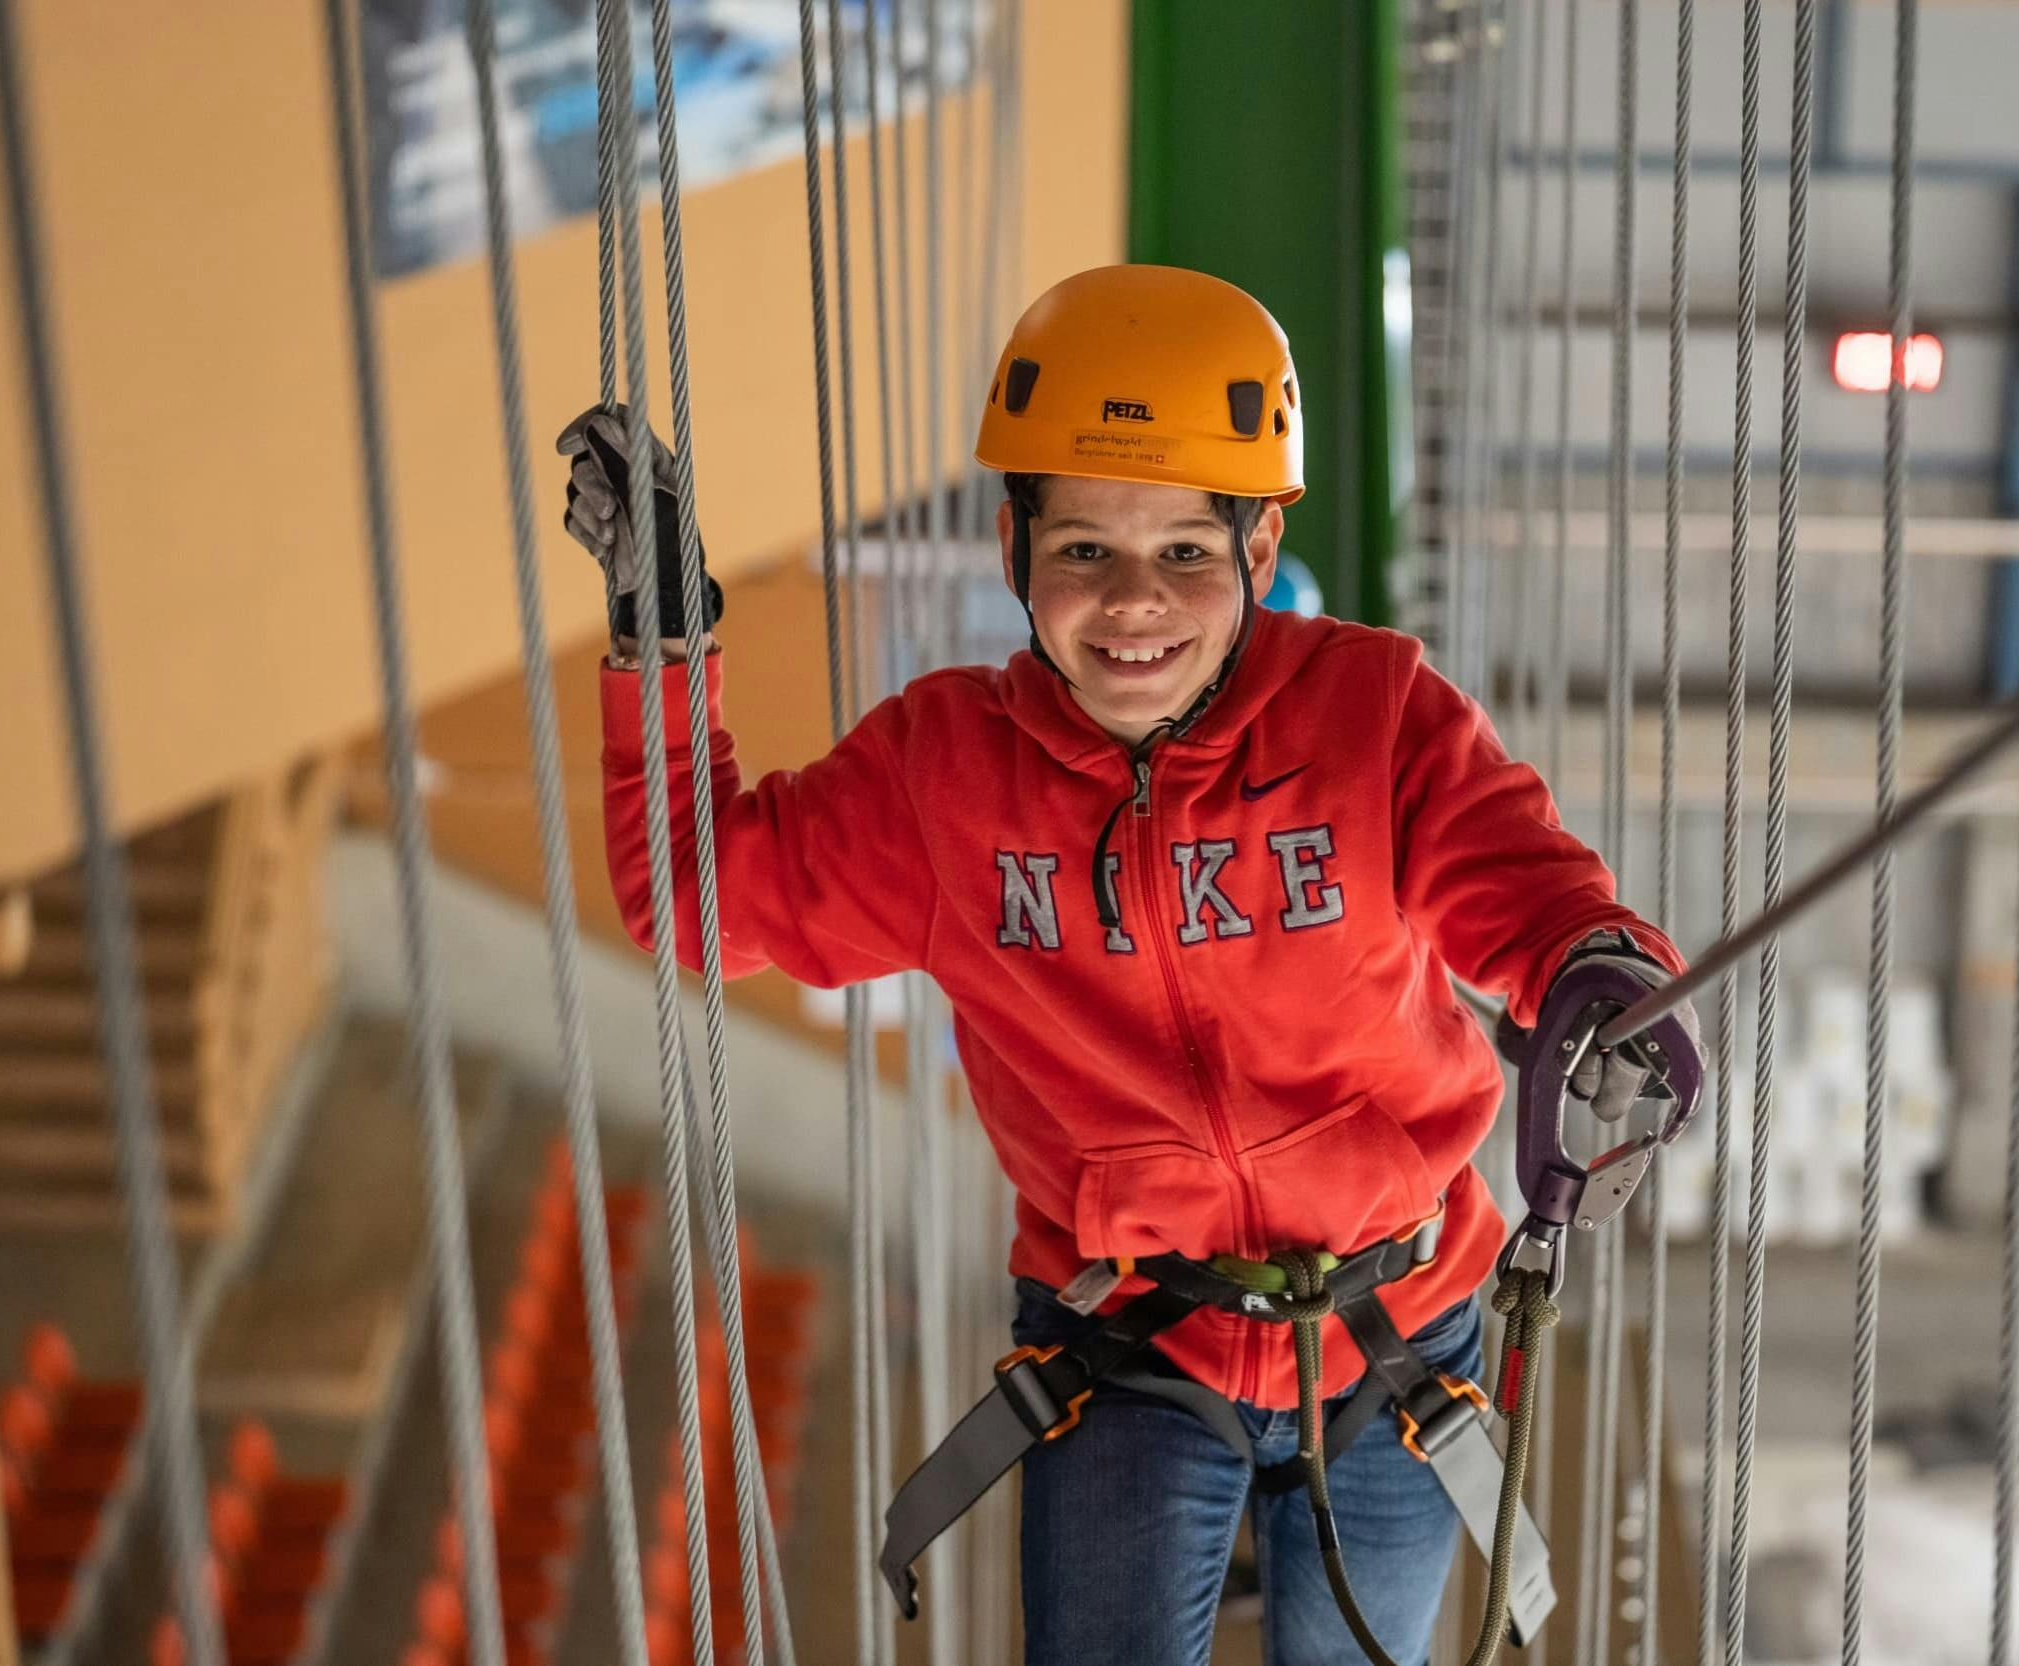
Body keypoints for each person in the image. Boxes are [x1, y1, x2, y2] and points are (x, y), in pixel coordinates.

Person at [559, 264, 1703, 1666]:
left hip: (1403, 1332)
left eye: (1183, 553)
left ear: (1261, 541)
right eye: (1083, 549)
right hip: (1135, 1345)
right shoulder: (946, 778)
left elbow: (1526, 891)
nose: (1130, 605)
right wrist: (664, 640)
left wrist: (1599, 980)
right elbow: (696, 898)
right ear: (1010, 544)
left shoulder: (1373, 714)